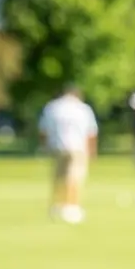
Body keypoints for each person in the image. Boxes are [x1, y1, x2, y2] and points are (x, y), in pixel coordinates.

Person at [38, 84, 98, 224]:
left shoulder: (52, 107)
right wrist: (92, 151)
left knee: (58, 177)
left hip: (57, 146)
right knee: (74, 177)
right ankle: (72, 207)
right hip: (78, 148)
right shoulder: (83, 108)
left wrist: (44, 147)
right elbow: (91, 132)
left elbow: (43, 130)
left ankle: (56, 205)